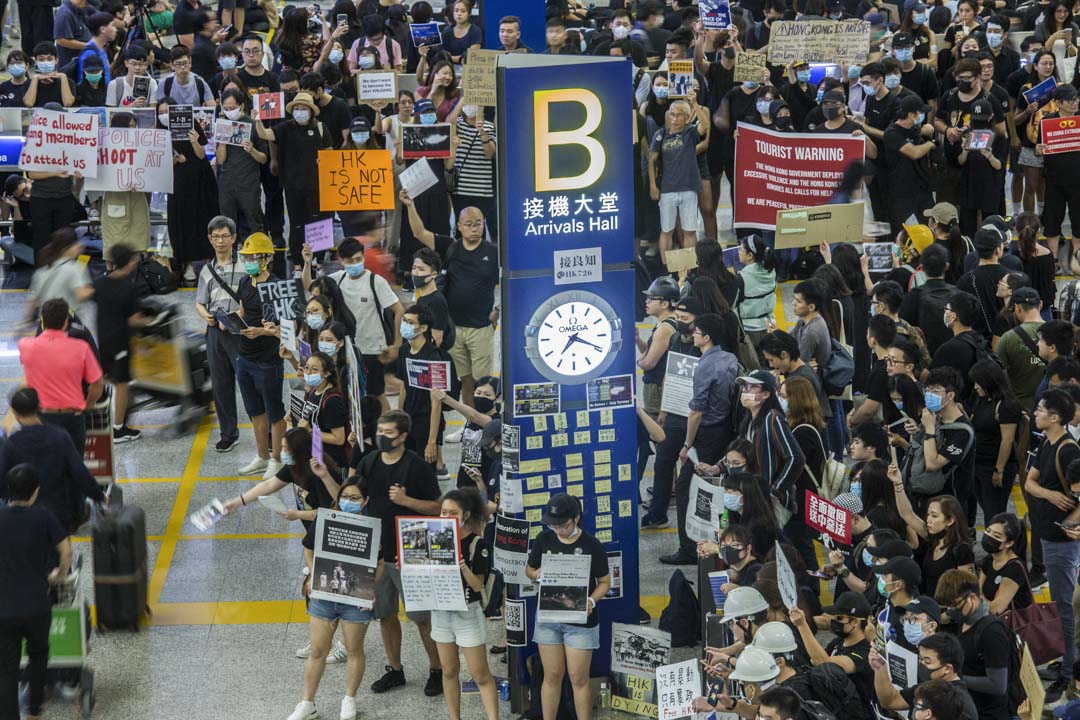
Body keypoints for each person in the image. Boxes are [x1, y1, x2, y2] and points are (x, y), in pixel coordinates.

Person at [350, 410, 444, 696]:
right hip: (378, 554)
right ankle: (395, 669)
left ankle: (437, 670)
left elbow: (439, 508)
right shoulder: (369, 462)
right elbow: (351, 495)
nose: (382, 436)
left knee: (422, 618)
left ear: (403, 436)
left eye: (389, 432)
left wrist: (407, 501)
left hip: (411, 554)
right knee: (386, 614)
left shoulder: (416, 467)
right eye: (380, 430)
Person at [399, 190, 499, 411]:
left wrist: (498, 310)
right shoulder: (451, 246)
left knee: (485, 383)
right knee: (465, 380)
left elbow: (510, 281)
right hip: (453, 328)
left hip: (481, 329)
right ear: (460, 226)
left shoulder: (493, 253)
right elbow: (419, 232)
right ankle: (470, 424)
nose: (474, 229)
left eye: (479, 224)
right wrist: (409, 206)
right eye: (469, 224)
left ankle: (488, 423)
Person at [525, 493, 611, 720]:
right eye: (553, 525)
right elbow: (529, 570)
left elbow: (604, 582)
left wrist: (591, 600)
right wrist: (537, 575)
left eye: (563, 525)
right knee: (551, 675)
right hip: (549, 619)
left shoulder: (592, 545)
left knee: (579, 678)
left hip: (580, 622)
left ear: (577, 518)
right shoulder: (544, 539)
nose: (558, 530)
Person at [663, 312, 738, 565]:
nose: (692, 334)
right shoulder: (730, 358)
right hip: (725, 432)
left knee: (686, 487)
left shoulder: (704, 365)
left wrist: (686, 446)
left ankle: (688, 548)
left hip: (706, 434)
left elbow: (696, 412)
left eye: (696, 332)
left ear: (706, 337)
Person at [0, 464, 72, 720]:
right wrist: (58, 576)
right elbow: (66, 551)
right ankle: (34, 711)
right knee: (39, 656)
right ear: (35, 492)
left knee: (6, 668)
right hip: (37, 606)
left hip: (4, 609)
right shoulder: (44, 516)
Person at [1024, 388, 1080, 699]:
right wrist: (1050, 495)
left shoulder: (1068, 450)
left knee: (1064, 606)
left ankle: (1069, 672)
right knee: (1061, 606)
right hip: (1047, 534)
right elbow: (1030, 482)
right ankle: (1065, 659)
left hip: (1062, 539)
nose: (1035, 413)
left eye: (1041, 410)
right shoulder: (1046, 442)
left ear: (1056, 417)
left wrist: (1071, 522)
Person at [311, 236, 404, 410]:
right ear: (341, 261)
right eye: (350, 261)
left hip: (372, 348)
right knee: (348, 393)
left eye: (358, 259)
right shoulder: (337, 279)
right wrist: (308, 262)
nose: (355, 264)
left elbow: (399, 311)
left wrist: (397, 345)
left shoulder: (376, 282)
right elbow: (311, 288)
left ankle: (385, 430)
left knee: (376, 394)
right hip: (346, 349)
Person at [433, 488, 498, 720]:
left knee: (480, 674)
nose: (446, 516)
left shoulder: (476, 543)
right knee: (449, 670)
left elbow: (478, 585)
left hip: (467, 612)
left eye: (452, 512)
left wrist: (461, 565)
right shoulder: (432, 539)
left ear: (466, 515)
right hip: (440, 611)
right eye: (443, 511)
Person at [0, 388, 106, 531]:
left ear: (14, 413)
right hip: (59, 515)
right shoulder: (59, 436)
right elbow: (79, 472)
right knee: (62, 551)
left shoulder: (11, 444)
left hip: (27, 517)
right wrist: (99, 495)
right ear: (40, 407)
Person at [15, 299, 103, 454]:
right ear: (65, 322)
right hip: (73, 417)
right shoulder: (81, 348)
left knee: (46, 465)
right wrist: (87, 405)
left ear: (42, 321)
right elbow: (97, 384)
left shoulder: (26, 345)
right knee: (74, 464)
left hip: (42, 416)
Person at [233, 232, 287, 479]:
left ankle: (276, 459)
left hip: (268, 361)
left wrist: (262, 331)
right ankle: (262, 456)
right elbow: (243, 310)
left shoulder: (277, 286)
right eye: (245, 257)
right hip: (245, 357)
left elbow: (287, 327)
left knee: (274, 412)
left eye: (252, 257)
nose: (248, 261)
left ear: (265, 258)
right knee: (255, 411)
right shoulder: (245, 282)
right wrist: (232, 321)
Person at [94, 244, 154, 443]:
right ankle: (119, 428)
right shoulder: (128, 287)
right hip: (120, 341)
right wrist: (152, 321)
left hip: (103, 339)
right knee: (122, 384)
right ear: (128, 263)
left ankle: (93, 413)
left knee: (106, 376)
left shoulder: (100, 282)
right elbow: (133, 319)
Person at [195, 217, 245, 453]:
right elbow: (199, 303)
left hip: (240, 330)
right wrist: (206, 316)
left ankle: (265, 430)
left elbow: (253, 297)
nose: (221, 241)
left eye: (225, 236)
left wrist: (236, 317)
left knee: (249, 381)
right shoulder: (206, 270)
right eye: (216, 237)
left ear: (234, 238)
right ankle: (228, 433)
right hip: (215, 331)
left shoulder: (246, 264)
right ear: (209, 239)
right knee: (221, 384)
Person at [934, 569, 1015, 715]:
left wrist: (955, 678)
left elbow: (997, 685)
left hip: (986, 712)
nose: (951, 610)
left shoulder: (992, 632)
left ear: (971, 597)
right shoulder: (965, 617)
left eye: (954, 605)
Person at [737, 370, 805, 536]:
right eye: (745, 386)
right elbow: (738, 452)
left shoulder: (773, 419)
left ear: (766, 394)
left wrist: (775, 491)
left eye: (752, 387)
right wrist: (717, 468)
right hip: (754, 496)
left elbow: (796, 458)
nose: (746, 390)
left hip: (770, 501)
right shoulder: (748, 422)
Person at [789, 592, 873, 708]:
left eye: (839, 618)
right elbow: (815, 660)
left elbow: (824, 663)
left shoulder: (865, 653)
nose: (834, 620)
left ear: (855, 622)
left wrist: (802, 625)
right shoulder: (838, 642)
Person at [870, 632, 978, 720]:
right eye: (921, 659)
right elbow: (890, 701)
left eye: (927, 661)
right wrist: (880, 666)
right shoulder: (929, 687)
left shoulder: (959, 705)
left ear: (947, 669)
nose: (922, 665)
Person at [397, 304, 454, 466]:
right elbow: (404, 385)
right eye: (404, 321)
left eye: (410, 322)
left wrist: (431, 442)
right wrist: (400, 416)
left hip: (426, 422)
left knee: (425, 472)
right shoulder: (404, 350)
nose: (404, 325)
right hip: (409, 418)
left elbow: (436, 404)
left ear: (422, 328)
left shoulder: (433, 358)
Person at [649, 98, 705, 263]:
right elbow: (652, 160)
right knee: (666, 230)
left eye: (679, 115)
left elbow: (705, 126)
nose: (674, 118)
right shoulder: (660, 134)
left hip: (689, 188)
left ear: (687, 118)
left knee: (689, 231)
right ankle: (666, 269)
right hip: (667, 189)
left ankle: (689, 269)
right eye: (672, 114)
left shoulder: (690, 132)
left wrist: (695, 103)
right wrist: (653, 185)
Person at [968, 360, 1022, 520]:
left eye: (978, 382)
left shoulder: (1007, 405)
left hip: (994, 467)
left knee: (994, 515)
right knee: (987, 510)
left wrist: (999, 470)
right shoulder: (983, 400)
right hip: (978, 463)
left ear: (989, 381)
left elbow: (1007, 440)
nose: (975, 387)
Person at [1036, 84, 1080, 268]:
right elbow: (1040, 148)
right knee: (1052, 218)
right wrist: (1038, 149)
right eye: (1070, 100)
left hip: (1078, 179)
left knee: (1079, 218)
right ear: (1058, 103)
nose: (1075, 103)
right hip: (1054, 179)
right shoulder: (1047, 122)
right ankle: (1052, 258)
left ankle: (1076, 256)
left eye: (1076, 99)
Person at [995, 286, 1045, 411]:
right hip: (1052, 408)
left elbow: (997, 373)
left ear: (1017, 308)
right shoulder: (1059, 332)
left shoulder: (1008, 338)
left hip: (1020, 409)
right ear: (1041, 304)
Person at [637, 277, 680, 419]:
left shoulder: (665, 328)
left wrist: (639, 362)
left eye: (651, 298)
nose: (646, 302)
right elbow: (650, 351)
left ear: (664, 303)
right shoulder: (671, 321)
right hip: (661, 386)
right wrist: (638, 340)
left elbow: (649, 363)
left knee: (658, 433)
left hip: (657, 388)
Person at [957, 228, 1010, 343]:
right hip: (1008, 341)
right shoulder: (1011, 277)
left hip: (977, 344)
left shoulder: (965, 281)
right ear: (998, 249)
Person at [979, 512, 1033, 613]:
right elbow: (978, 592)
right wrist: (984, 600)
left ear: (1009, 543)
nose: (989, 537)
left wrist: (982, 600)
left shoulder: (1014, 569)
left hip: (1011, 625)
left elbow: (996, 610)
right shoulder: (989, 559)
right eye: (988, 531)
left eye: (997, 536)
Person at [737, 236, 777, 352]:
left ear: (750, 255)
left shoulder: (742, 278)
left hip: (750, 328)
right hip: (769, 324)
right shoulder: (770, 270)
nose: (738, 252)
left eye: (740, 250)